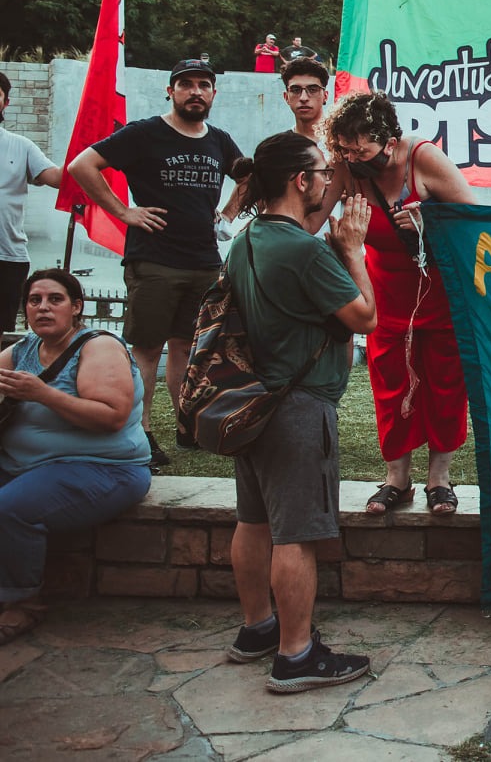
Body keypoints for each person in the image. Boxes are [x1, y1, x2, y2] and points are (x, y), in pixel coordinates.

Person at [220, 132, 377, 690]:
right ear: (300, 180)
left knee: (253, 521)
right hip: (299, 407)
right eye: (322, 172)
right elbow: (364, 317)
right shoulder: (305, 249)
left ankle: (257, 628)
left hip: (252, 403)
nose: (328, 182)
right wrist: (353, 250)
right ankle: (295, 655)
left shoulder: (245, 241)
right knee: (296, 535)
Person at [68, 60, 242, 467]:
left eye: (203, 85)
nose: (195, 91)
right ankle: (141, 432)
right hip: (155, 260)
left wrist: (228, 214)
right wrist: (122, 212)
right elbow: (81, 166)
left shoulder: (219, 140)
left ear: (213, 93)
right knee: (147, 349)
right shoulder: (145, 133)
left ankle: (186, 424)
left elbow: (248, 175)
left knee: (188, 347)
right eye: (186, 84)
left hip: (203, 259)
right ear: (171, 91)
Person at [325, 93, 476, 517]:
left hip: (441, 292)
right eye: (345, 149)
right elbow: (312, 217)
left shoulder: (423, 158)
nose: (352, 157)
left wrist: (431, 218)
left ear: (389, 143)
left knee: (446, 384)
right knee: (390, 384)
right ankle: (397, 478)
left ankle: (439, 479)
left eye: (361, 150)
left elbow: (477, 218)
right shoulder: (345, 166)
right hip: (384, 296)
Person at [0, 269, 150, 646]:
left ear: (76, 307)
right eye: (34, 300)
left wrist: (43, 394)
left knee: (9, 509)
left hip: (102, 468)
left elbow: (111, 417)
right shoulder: (22, 350)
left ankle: (22, 603)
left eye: (55, 299)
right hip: (24, 465)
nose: (43, 308)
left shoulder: (98, 348)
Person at [0, 73, 63, 332]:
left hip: (7, 257)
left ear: (6, 102)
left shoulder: (21, 146)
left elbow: (56, 178)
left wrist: (90, 156)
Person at [281, 57, 331, 146]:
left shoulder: (345, 144)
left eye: (312, 90)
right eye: (296, 90)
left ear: (325, 96)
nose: (303, 98)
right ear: (286, 97)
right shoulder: (278, 148)